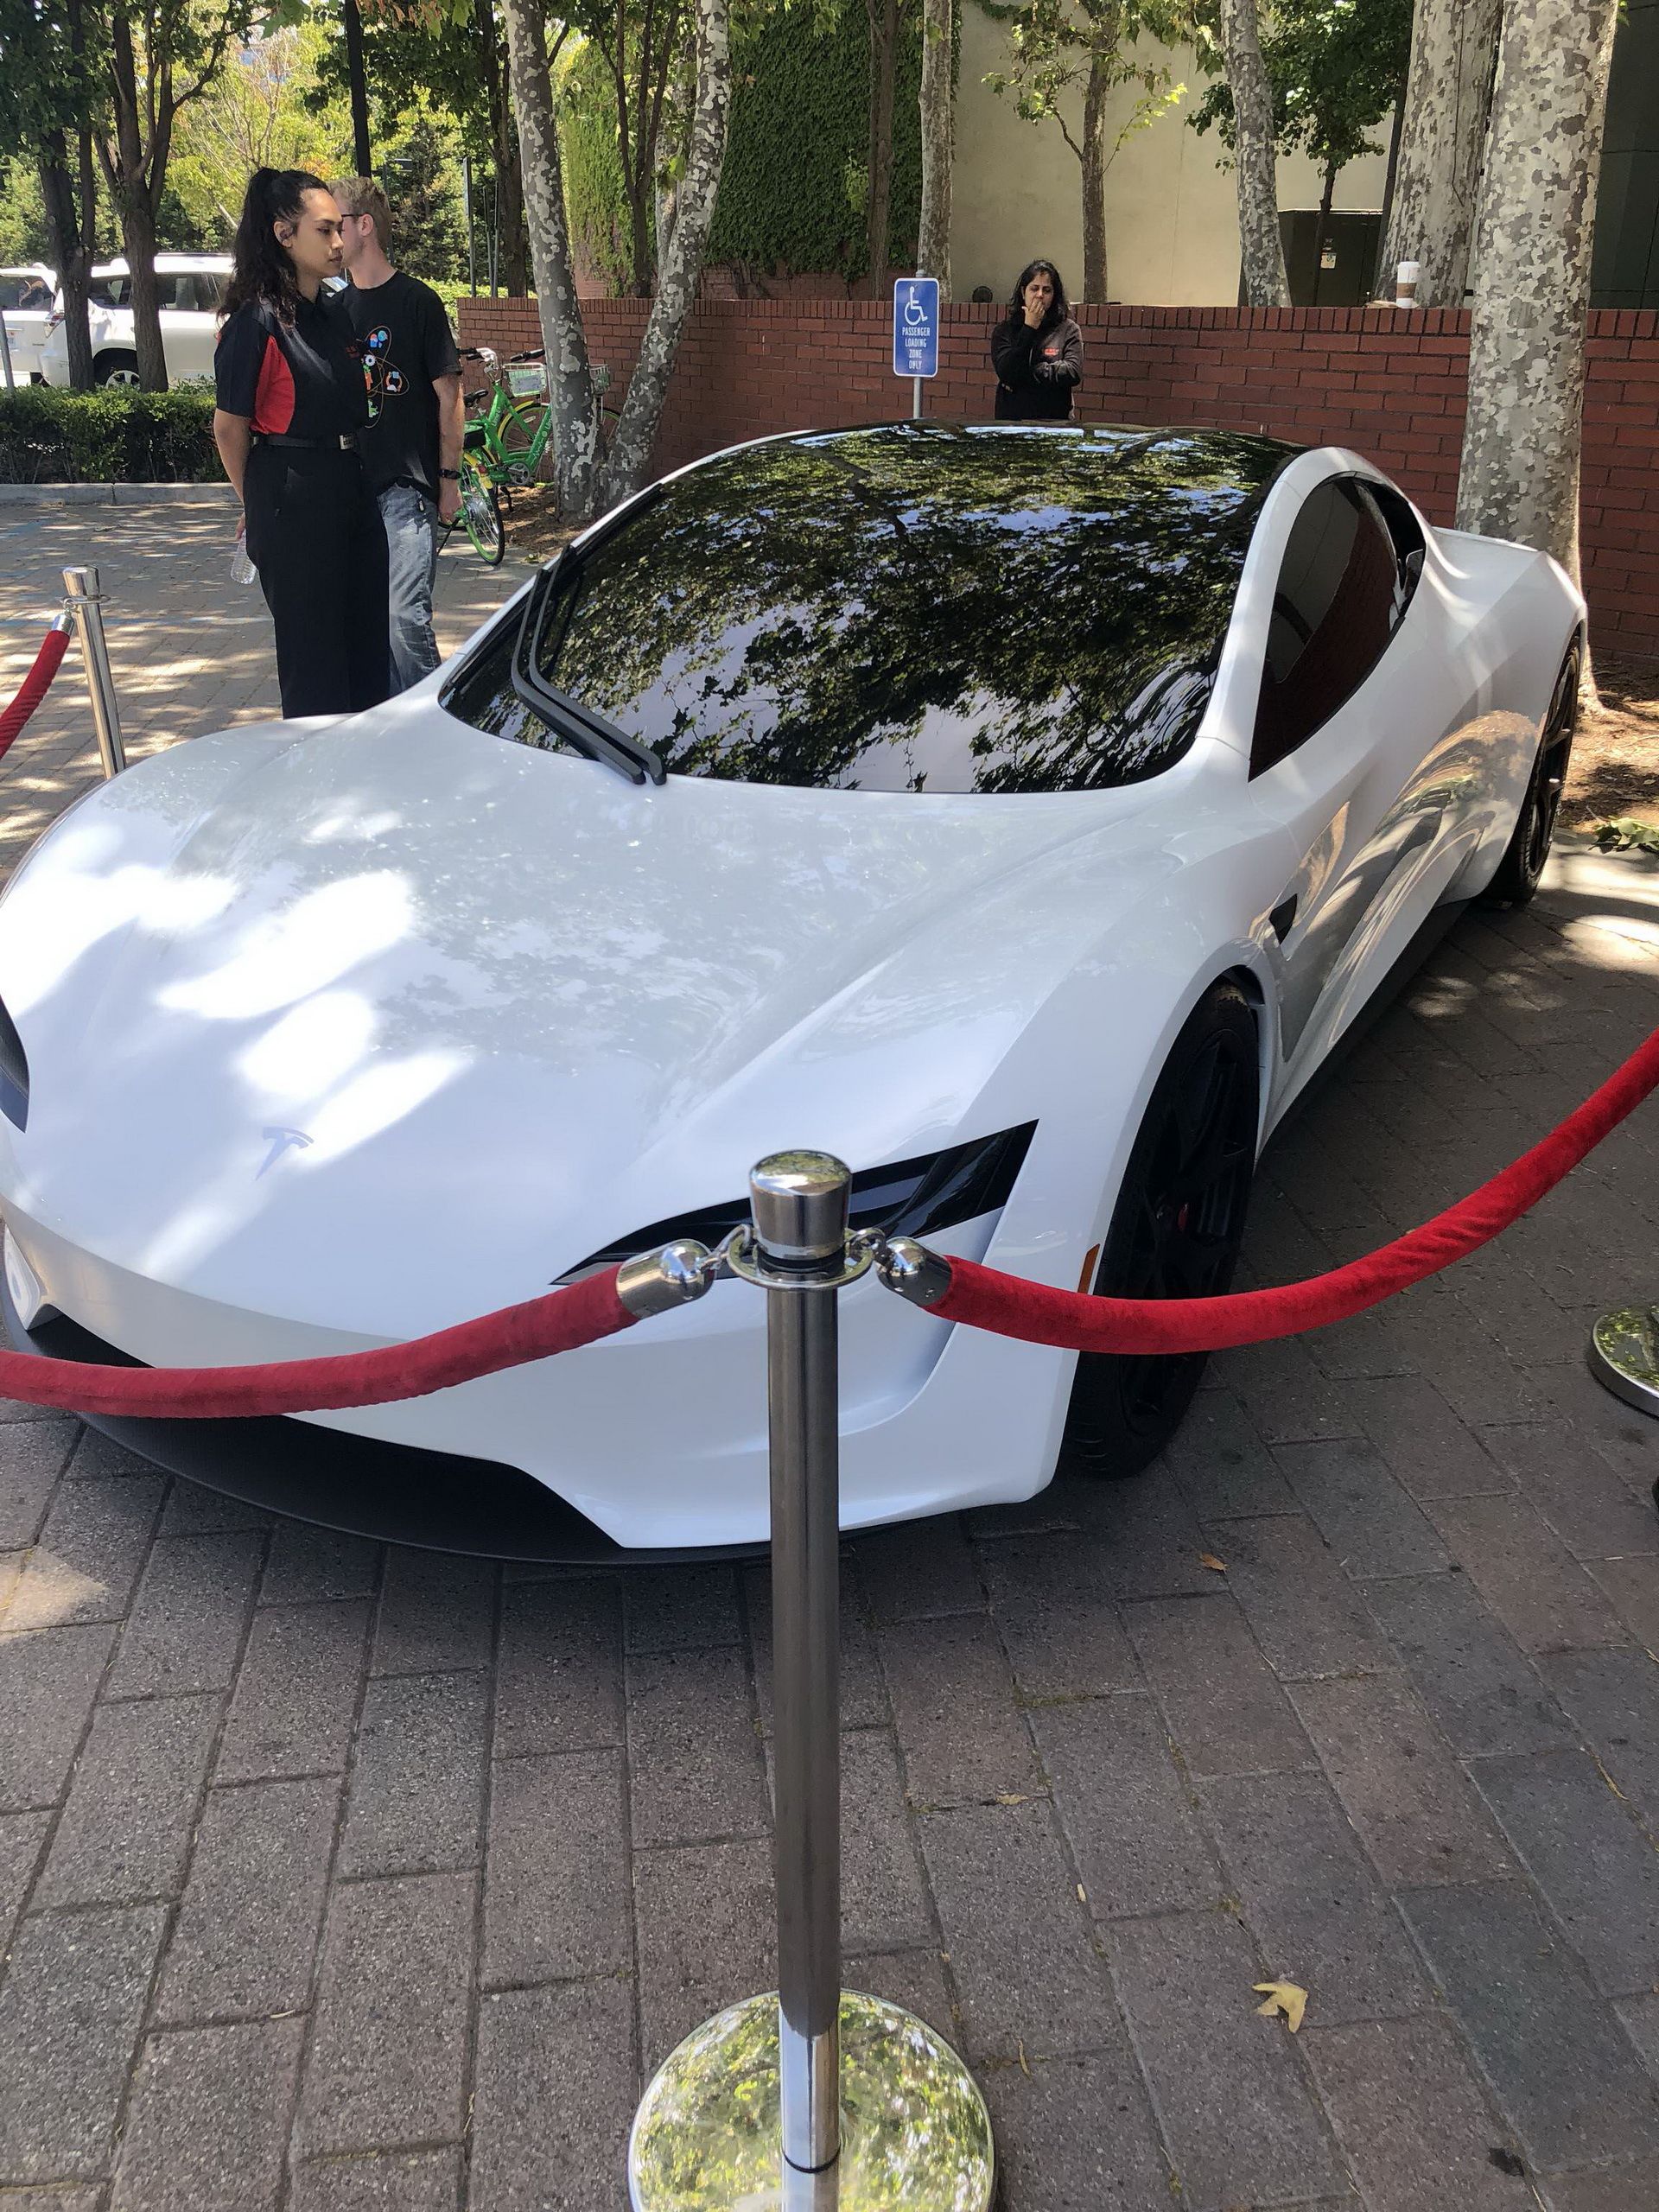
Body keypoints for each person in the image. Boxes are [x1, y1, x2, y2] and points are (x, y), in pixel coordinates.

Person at [213, 168, 390, 719]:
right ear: (284, 235)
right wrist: (255, 503)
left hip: (351, 488)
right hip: (290, 494)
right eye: (326, 231)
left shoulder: (335, 315)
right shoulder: (255, 323)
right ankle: (318, 791)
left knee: (368, 656)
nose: (340, 244)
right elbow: (229, 428)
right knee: (316, 668)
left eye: (341, 230)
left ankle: (366, 785)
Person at [330, 175, 464, 693]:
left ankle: (434, 726)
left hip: (407, 489)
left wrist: (449, 478)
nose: (332, 239)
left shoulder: (418, 302)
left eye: (336, 223)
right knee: (373, 630)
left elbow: (449, 398)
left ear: (364, 225)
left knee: (404, 621)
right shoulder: (336, 313)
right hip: (354, 495)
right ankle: (396, 736)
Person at [990, 260, 1083, 422]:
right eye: (1034, 289)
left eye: (1046, 290)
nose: (1040, 295)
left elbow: (1072, 372)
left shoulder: (1068, 330)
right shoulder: (1004, 331)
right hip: (1012, 422)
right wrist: (1030, 328)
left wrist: (1029, 373)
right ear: (1023, 291)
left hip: (1054, 424)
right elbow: (1007, 371)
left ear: (1054, 295)